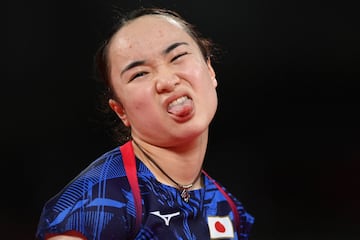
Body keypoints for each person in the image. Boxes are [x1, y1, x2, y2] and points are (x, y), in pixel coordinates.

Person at [36, 7, 255, 240]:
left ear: (210, 70)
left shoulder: (227, 208)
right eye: (139, 74)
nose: (167, 81)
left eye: (178, 57)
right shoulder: (97, 201)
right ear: (121, 111)